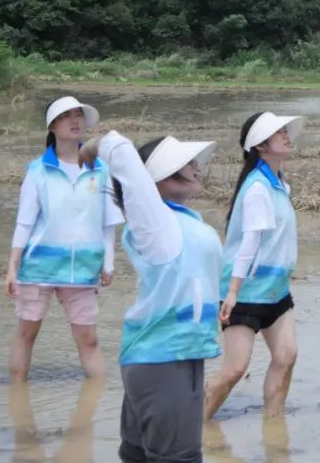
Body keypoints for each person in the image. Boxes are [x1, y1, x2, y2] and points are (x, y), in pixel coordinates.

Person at [79, 129, 220, 463]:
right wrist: (94, 148)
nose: (197, 166)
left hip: (166, 357)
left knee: (139, 456)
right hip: (166, 361)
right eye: (186, 162)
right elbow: (121, 152)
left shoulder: (182, 222)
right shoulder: (158, 227)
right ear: (158, 178)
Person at [5, 95, 123, 381]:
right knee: (26, 334)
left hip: (83, 268)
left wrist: (108, 262)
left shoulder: (100, 168)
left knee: (89, 339)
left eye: (78, 114)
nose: (74, 120)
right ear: (52, 126)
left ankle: (96, 401)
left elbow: (109, 221)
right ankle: (17, 396)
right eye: (66, 116)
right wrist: (12, 266)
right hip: (38, 268)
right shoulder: (38, 170)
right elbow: (25, 222)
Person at [204, 112, 304, 420]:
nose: (286, 135)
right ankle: (194, 425)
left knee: (286, 356)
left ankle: (273, 426)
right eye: (278, 132)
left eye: (286, 130)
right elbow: (250, 243)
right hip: (245, 292)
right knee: (235, 369)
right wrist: (233, 292)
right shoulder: (258, 187)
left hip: (275, 291)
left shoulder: (280, 183)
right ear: (260, 146)